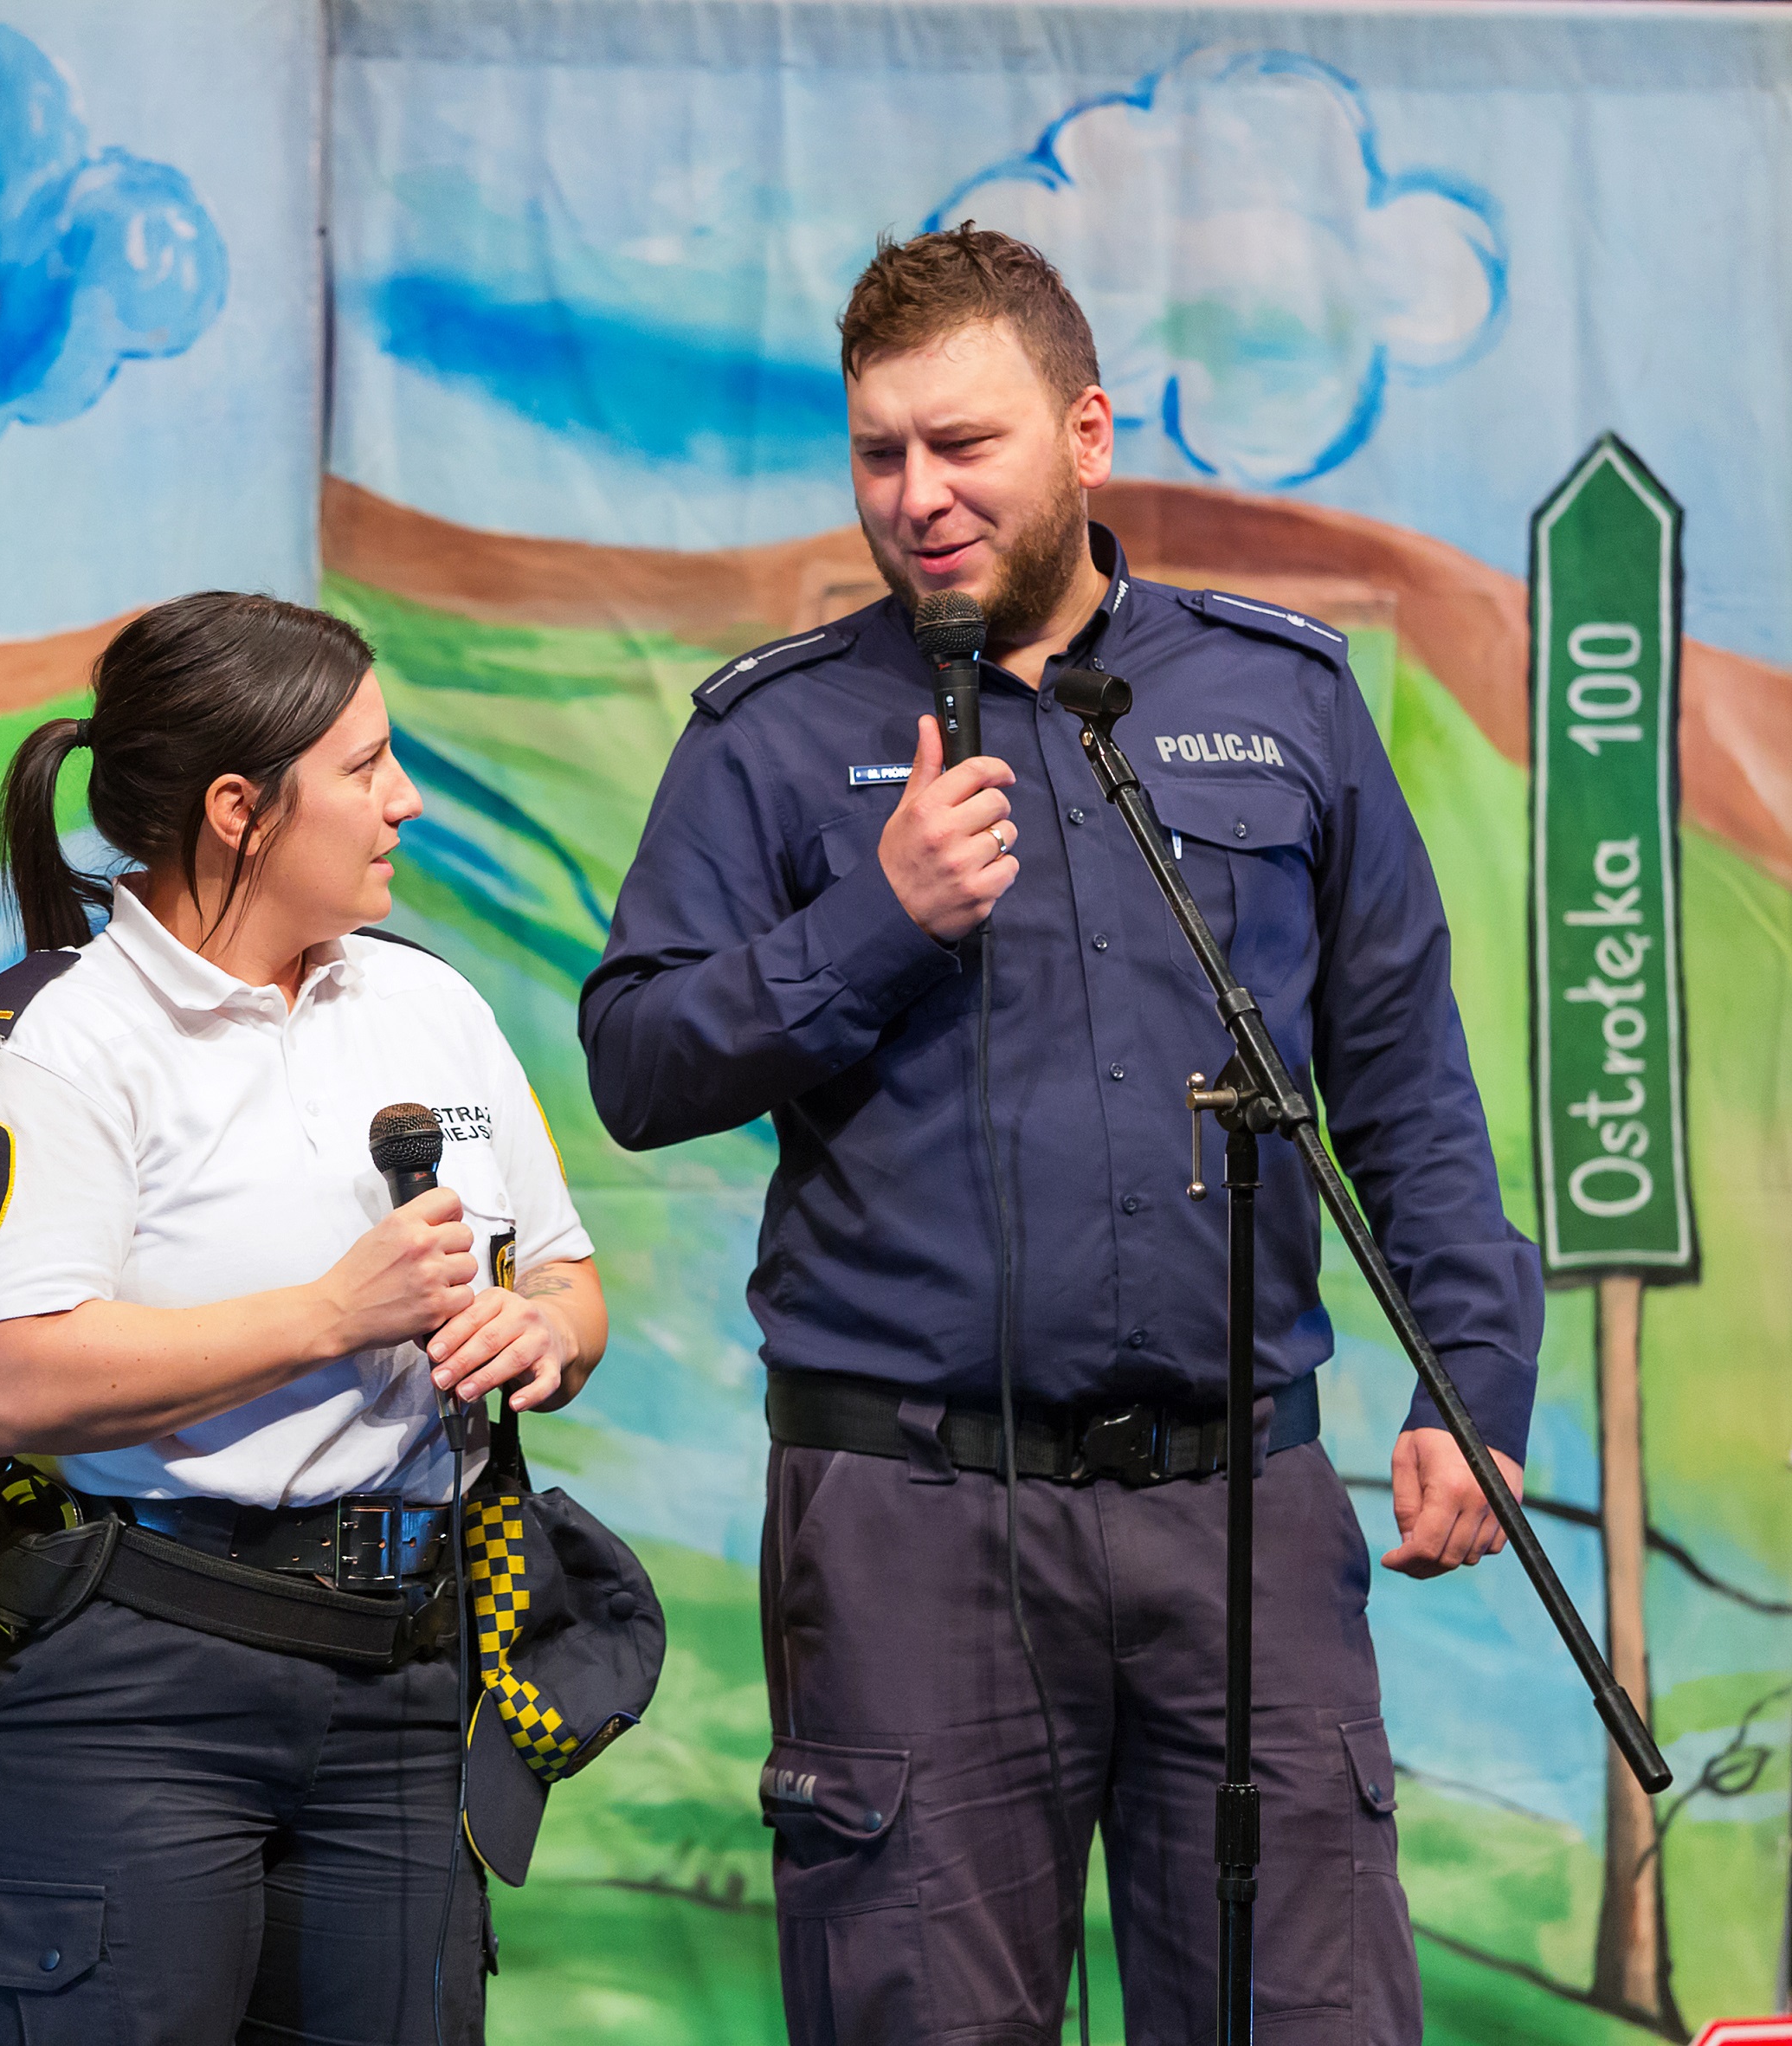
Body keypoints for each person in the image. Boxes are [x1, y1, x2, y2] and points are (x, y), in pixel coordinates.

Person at [579, 227, 1537, 2042]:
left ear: (1082, 431)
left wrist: (1467, 1382)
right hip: (908, 1526)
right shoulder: (775, 740)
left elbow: (1399, 1079)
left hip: (1238, 1513)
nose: (916, 497)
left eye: (963, 445)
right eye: (879, 456)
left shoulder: (1281, 702)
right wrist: (871, 919)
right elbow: (635, 1059)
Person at [0, 591, 609, 2044]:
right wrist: (330, 1315)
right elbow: (2, 1379)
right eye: (364, 767)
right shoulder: (52, 1041)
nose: (403, 799)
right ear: (239, 810)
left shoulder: (429, 1005)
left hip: (408, 1674)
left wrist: (541, 1334)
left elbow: (567, 1280)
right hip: (132, 1682)